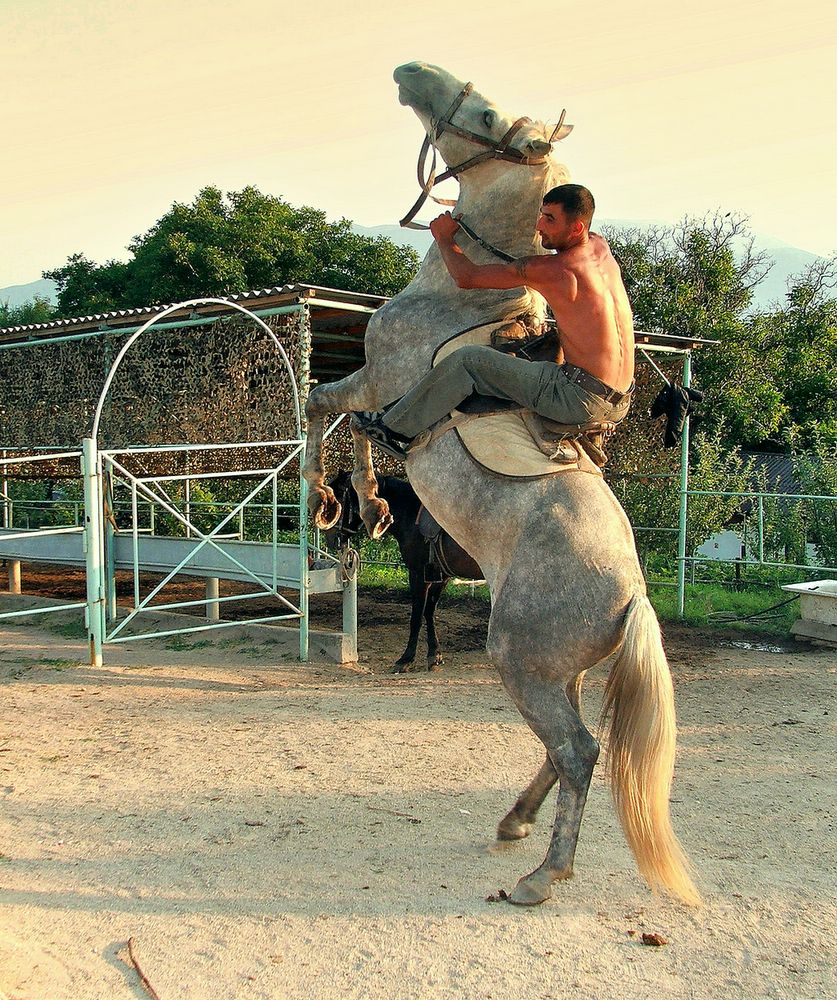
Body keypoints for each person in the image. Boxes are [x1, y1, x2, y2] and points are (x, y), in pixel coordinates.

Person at [355, 183, 635, 458]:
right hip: (621, 400)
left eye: (550, 219)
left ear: (576, 228)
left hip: (576, 397)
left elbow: (467, 278)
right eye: (541, 214)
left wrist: (444, 238)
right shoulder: (600, 247)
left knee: (469, 361)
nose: (539, 226)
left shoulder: (553, 270)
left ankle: (392, 430)